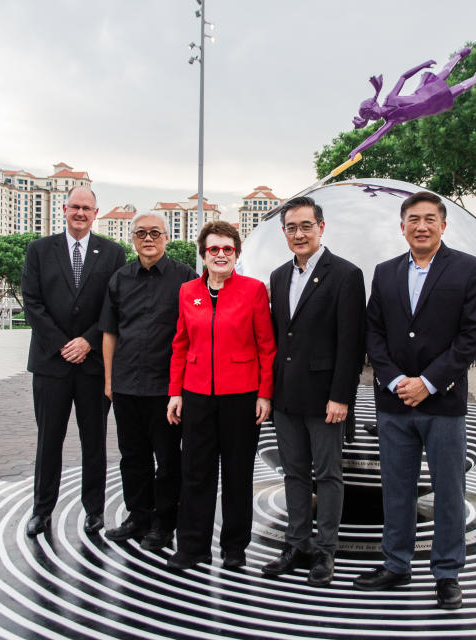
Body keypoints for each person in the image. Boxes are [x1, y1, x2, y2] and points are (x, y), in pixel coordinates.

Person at [355, 191, 476, 609]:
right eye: (413, 219)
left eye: (430, 219)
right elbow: (373, 334)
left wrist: (428, 382)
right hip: (394, 402)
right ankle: (396, 564)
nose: (421, 226)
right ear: (402, 226)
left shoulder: (470, 270)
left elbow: (472, 337)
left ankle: (447, 574)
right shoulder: (385, 272)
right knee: (396, 488)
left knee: (449, 490)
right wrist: (396, 379)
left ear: (443, 225)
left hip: (443, 403)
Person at [262, 196, 366, 586]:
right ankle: (296, 545)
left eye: (306, 225)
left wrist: (341, 397)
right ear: (283, 232)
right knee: (293, 475)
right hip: (286, 397)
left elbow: (351, 344)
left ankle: (325, 552)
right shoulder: (278, 276)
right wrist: (269, 393)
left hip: (326, 399)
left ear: (321, 228)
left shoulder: (346, 274)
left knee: (327, 475)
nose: (299, 233)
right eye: (292, 227)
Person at [166, 221, 276, 571]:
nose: (221, 255)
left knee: (237, 474)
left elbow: (267, 347)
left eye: (227, 249)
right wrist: (175, 392)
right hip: (196, 394)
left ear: (236, 253)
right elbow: (180, 344)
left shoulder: (254, 290)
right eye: (213, 249)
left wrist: (264, 393)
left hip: (241, 396)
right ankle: (193, 546)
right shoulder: (187, 292)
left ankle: (234, 548)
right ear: (203, 254)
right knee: (195, 473)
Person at [21, 185, 127, 537]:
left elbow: (114, 306)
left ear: (96, 214)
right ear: (63, 209)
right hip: (51, 364)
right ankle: (41, 510)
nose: (80, 213)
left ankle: (94, 511)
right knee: (49, 440)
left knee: (94, 440)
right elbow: (32, 304)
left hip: (93, 365)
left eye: (87, 208)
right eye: (75, 207)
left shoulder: (112, 253)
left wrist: (88, 341)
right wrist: (64, 344)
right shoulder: (39, 250)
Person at [99, 213, 196, 549]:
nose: (148, 238)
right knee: (133, 457)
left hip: (166, 390)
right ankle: (138, 516)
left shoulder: (185, 279)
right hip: (126, 386)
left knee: (168, 460)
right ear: (133, 239)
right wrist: (110, 382)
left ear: (166, 237)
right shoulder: (120, 279)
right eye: (141, 233)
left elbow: (196, 333)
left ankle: (164, 522)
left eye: (155, 232)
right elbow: (109, 333)